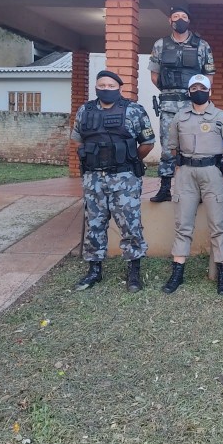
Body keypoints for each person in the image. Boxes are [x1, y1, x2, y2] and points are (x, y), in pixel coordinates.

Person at [71, 70, 155, 293]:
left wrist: (129, 160)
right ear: (96, 87)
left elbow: (148, 142)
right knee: (95, 223)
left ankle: (134, 270)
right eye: (102, 85)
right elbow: (78, 141)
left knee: (130, 224)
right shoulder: (85, 111)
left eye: (110, 86)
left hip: (124, 178)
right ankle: (94, 270)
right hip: (93, 178)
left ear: (119, 88)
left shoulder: (134, 110)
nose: (106, 89)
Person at [162, 74, 223, 295]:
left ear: (209, 91)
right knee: (183, 225)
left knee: (218, 225)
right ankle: (177, 271)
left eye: (202, 87)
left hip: (213, 173)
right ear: (189, 92)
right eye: (194, 87)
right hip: (186, 173)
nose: (198, 91)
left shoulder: (222, 117)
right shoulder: (179, 117)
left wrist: (221, 164)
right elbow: (173, 147)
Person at [148, 6, 214, 203]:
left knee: (195, 146)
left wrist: (201, 95)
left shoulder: (201, 45)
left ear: (189, 21)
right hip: (169, 103)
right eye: (176, 16)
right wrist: (168, 88)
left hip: (193, 103)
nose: (180, 19)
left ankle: (196, 189)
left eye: (184, 16)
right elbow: (154, 75)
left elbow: (209, 75)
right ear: (170, 21)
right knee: (168, 148)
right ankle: (165, 188)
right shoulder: (161, 45)